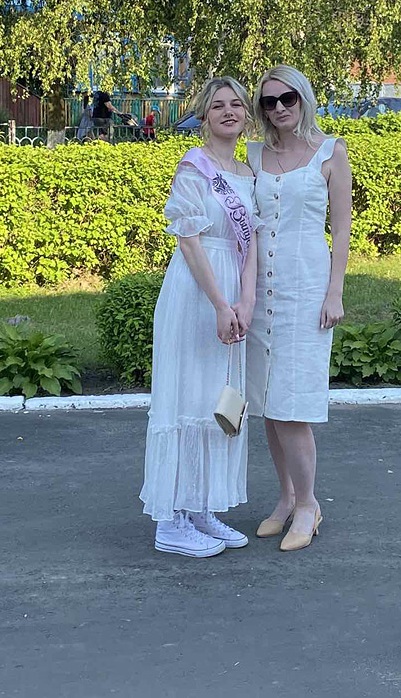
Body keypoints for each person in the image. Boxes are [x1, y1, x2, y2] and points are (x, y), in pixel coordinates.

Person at [140, 76, 263, 558]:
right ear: (204, 117)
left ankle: (200, 506)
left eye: (236, 104)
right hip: (197, 291)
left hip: (234, 290)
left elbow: (252, 244)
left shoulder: (247, 172)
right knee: (186, 395)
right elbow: (189, 241)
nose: (228, 111)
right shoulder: (194, 166)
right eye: (217, 106)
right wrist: (219, 303)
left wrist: (245, 303)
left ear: (246, 114)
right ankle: (169, 521)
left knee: (217, 397)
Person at [246, 65, 352, 551]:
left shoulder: (330, 152)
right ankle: (286, 497)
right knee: (269, 405)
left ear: (303, 98)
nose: (279, 108)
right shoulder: (254, 156)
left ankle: (309, 504)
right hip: (260, 292)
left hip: (307, 289)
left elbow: (342, 228)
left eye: (287, 98)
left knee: (293, 406)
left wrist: (335, 292)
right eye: (268, 101)